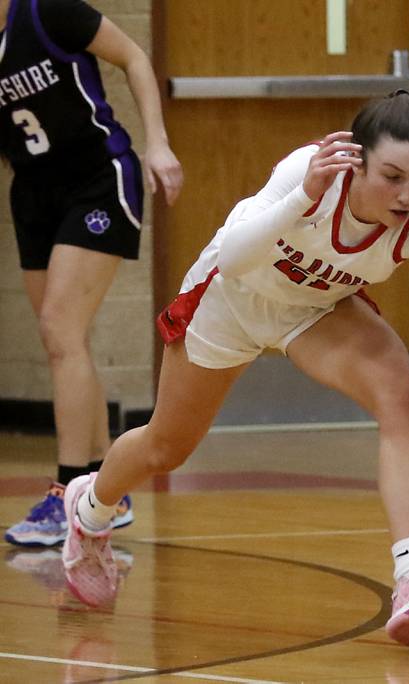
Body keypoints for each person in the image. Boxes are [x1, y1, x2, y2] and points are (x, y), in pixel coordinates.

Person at [60, 91, 409, 647]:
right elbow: (234, 257)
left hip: (313, 311)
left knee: (402, 396)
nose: (406, 195)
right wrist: (305, 197)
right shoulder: (309, 171)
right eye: (392, 176)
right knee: (166, 447)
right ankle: (88, 511)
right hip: (229, 300)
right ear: (356, 162)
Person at [1, 0, 183, 547]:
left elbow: (133, 56)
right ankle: (108, 488)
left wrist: (158, 142)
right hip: (32, 192)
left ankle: (65, 496)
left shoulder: (45, 12)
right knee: (63, 339)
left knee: (61, 331)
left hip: (97, 179)